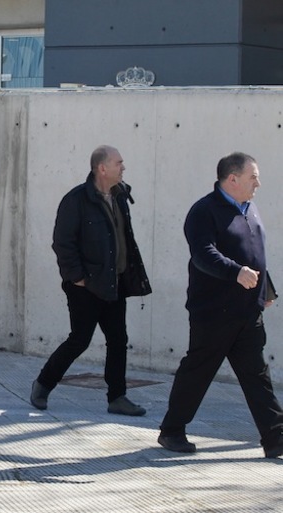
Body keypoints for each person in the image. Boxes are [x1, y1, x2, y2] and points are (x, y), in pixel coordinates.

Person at [158, 152, 283, 458]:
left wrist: (265, 288)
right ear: (232, 179)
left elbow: (255, 254)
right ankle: (172, 431)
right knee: (198, 371)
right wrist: (236, 273)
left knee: (257, 374)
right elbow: (203, 254)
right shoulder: (203, 211)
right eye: (253, 177)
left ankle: (276, 438)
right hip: (214, 312)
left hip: (247, 311)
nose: (258, 183)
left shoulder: (250, 209)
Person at [30, 145, 151, 416]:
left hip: (114, 282)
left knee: (118, 339)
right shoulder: (76, 200)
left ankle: (117, 397)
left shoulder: (120, 196)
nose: (124, 167)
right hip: (85, 286)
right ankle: (43, 384)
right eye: (119, 163)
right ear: (102, 168)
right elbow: (63, 243)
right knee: (80, 339)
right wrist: (77, 278)